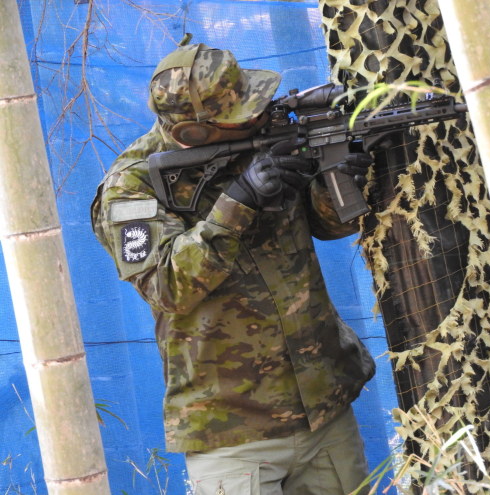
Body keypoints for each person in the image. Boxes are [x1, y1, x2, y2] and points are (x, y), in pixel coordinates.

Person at [91, 40, 376, 495]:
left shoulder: (261, 141)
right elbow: (168, 286)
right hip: (232, 432)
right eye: (242, 115)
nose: (258, 117)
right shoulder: (132, 186)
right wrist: (238, 201)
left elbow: (327, 224)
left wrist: (336, 177)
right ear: (193, 132)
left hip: (324, 407)